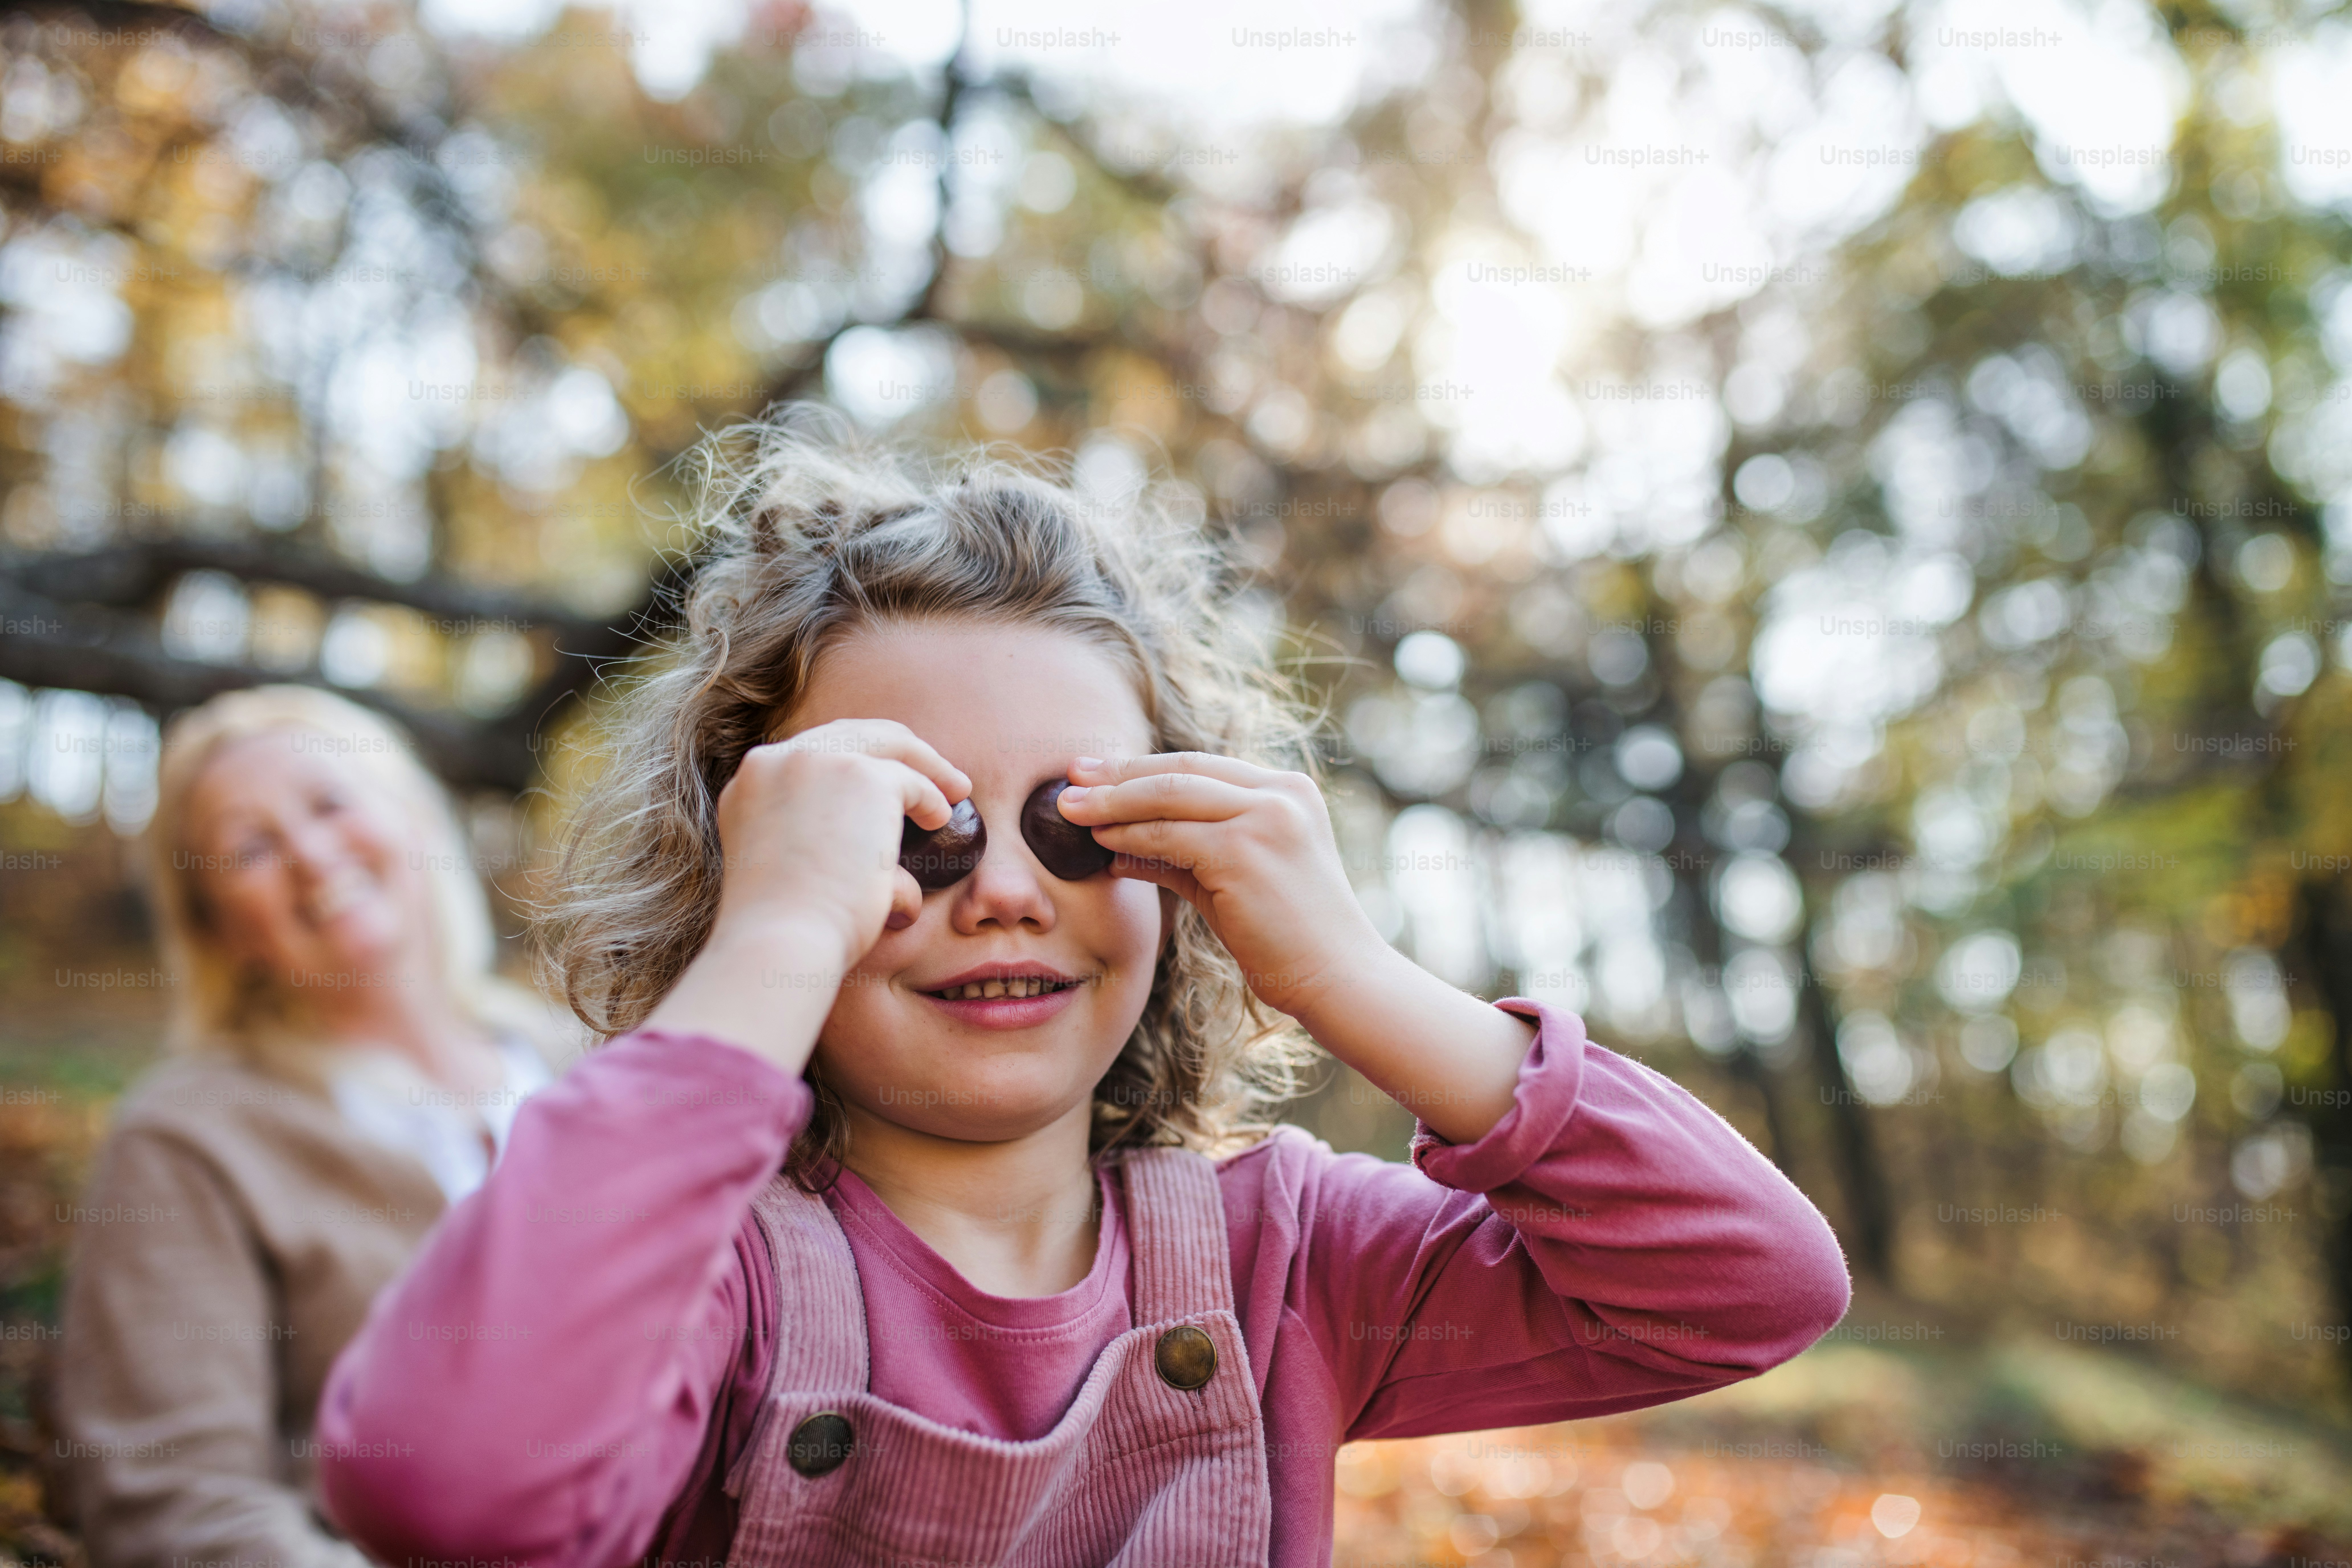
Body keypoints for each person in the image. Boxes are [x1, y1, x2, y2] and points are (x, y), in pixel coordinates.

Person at [313, 413, 1851, 1567]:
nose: (1003, 891)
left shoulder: (1286, 1270)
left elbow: (1748, 1289)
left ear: (1177, 879)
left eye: (1075, 827)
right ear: (762, 863)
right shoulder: (712, 1285)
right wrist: (772, 946)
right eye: (916, 831)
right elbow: (447, 1483)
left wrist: (1349, 974)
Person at [52, 684, 577, 1567]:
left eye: (331, 803)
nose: (309, 853)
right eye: (251, 848)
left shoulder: (596, 1059)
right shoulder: (189, 1140)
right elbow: (172, 1507)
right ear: (222, 931)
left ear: (414, 814)